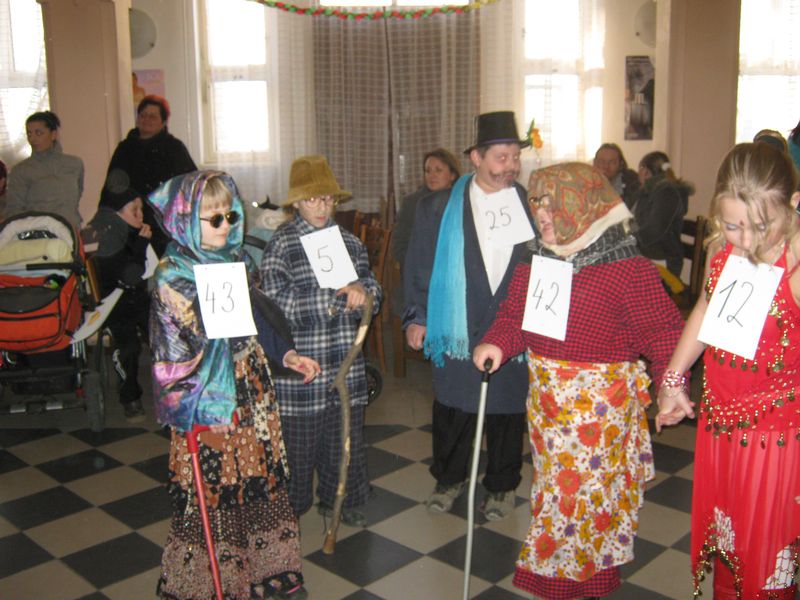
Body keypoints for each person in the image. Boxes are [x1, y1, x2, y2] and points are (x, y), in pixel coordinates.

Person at [473, 162, 684, 599]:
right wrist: (496, 342)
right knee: (562, 495)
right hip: (549, 410)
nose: (541, 216)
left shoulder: (628, 268)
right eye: (538, 205)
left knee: (578, 500)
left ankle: (562, 581)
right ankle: (584, 578)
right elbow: (514, 317)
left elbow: (664, 333)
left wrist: (671, 385)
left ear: (584, 207)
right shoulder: (537, 261)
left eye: (553, 206)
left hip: (598, 415)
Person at [148, 170, 319, 600]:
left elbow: (256, 317)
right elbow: (172, 355)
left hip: (251, 385)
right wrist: (200, 406)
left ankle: (267, 573)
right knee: (216, 488)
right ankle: (212, 582)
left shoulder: (235, 259)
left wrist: (286, 354)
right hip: (208, 397)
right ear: (186, 220)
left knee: (260, 477)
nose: (226, 225)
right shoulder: (173, 275)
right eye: (214, 219)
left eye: (230, 215)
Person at [656, 142, 800, 600]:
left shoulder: (795, 266)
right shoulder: (725, 253)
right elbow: (704, 309)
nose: (746, 239)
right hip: (721, 427)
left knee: (764, 560)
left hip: (773, 437)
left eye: (760, 226)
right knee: (729, 549)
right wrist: (674, 379)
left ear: (793, 204)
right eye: (733, 225)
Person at [403, 111, 535, 520]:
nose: (511, 166)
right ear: (476, 157)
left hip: (510, 320)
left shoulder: (529, 204)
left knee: (507, 409)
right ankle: (449, 478)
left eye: (515, 157)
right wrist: (416, 316)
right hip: (456, 320)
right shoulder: (438, 207)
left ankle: (501, 485)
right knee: (454, 406)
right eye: (501, 157)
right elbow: (419, 264)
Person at [260, 155, 382, 527]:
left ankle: (340, 498)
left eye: (327, 199)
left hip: (344, 364)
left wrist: (364, 292)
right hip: (303, 372)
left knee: (343, 440)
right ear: (296, 202)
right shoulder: (281, 245)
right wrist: (332, 301)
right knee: (297, 448)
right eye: (312, 199)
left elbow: (372, 287)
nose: (321, 207)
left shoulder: (350, 243)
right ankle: (290, 509)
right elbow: (276, 304)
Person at [89, 170, 152, 421]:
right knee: (128, 348)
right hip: (116, 304)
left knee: (162, 337)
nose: (140, 215)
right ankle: (130, 397)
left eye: (141, 209)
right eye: (134, 210)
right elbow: (129, 276)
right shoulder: (108, 238)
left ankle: (170, 389)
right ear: (116, 213)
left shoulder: (133, 231)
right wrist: (142, 245)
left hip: (138, 300)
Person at [104, 95, 197, 255]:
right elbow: (112, 186)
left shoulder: (174, 148)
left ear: (163, 121)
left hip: (165, 223)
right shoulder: (125, 148)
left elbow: (190, 184)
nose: (146, 120)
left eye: (153, 116)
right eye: (143, 115)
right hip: (131, 221)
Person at [5, 110, 83, 228]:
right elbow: (14, 210)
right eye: (29, 134)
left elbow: (77, 194)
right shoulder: (21, 170)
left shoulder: (74, 164)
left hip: (70, 229)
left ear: (53, 134)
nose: (33, 139)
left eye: (39, 133)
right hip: (38, 232)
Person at [392, 148, 461, 268]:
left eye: (438, 170)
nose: (432, 176)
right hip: (420, 271)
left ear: (452, 175)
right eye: (428, 171)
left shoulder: (461, 201)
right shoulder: (412, 203)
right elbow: (399, 246)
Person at [631, 150, 694, 279]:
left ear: (645, 171)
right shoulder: (648, 191)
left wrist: (628, 240)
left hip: (661, 258)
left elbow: (654, 230)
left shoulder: (667, 193)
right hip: (649, 254)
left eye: (640, 169)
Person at [592, 143, 640, 209]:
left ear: (621, 164)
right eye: (602, 161)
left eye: (612, 162)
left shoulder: (631, 184)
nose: (606, 166)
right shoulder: (585, 183)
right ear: (594, 163)